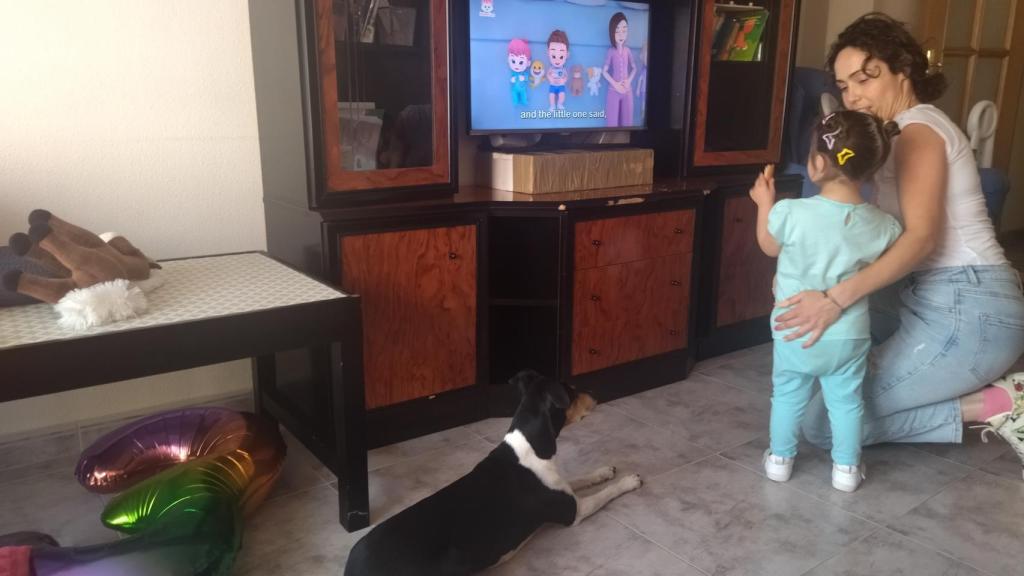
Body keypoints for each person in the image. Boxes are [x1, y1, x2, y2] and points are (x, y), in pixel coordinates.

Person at [769, 13, 1024, 478]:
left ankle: (999, 403)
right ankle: (941, 377)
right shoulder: (889, 136)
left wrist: (832, 299)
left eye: (867, 78)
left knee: (824, 427)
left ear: (902, 69)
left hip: (970, 307)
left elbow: (921, 238)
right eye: (845, 86)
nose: (855, 95)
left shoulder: (918, 131)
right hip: (926, 294)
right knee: (833, 369)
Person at [752, 111, 903, 492]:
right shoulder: (883, 225)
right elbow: (890, 259)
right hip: (848, 334)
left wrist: (763, 202)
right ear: (869, 169)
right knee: (847, 402)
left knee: (787, 395)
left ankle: (780, 460)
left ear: (817, 163)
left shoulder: (791, 212)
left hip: (793, 330)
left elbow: (768, 246)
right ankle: (846, 470)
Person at [602, 12, 636, 127]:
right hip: (613, 90)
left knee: (628, 123)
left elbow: (634, 68)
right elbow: (604, 71)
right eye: (617, 31)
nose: (621, 35)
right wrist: (615, 84)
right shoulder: (611, 51)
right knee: (611, 123)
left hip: (627, 90)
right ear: (612, 33)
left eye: (624, 30)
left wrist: (629, 81)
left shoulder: (628, 51)